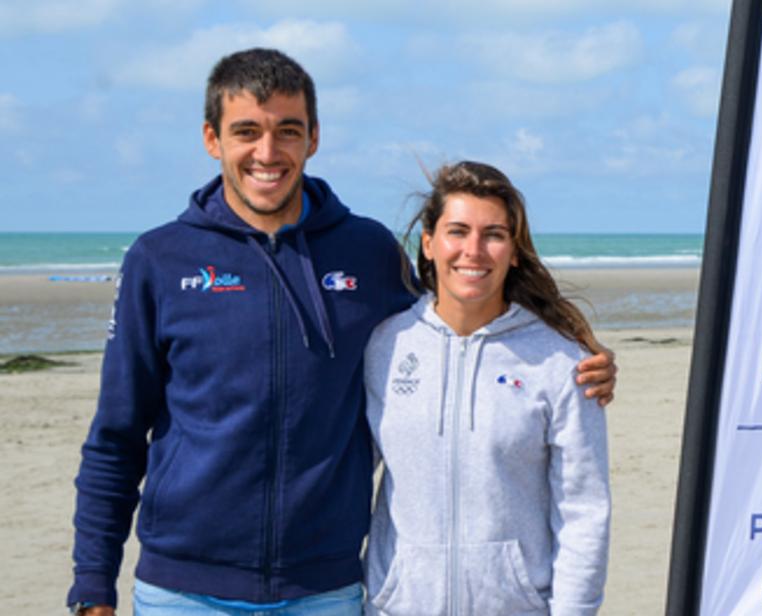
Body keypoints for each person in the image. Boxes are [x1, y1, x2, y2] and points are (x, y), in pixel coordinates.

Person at [67, 49, 616, 616]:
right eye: (247, 131)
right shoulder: (161, 260)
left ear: (314, 138)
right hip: (183, 590)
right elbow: (116, 435)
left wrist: (573, 350)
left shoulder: (367, 251)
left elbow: (458, 317)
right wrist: (92, 583)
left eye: (288, 131)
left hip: (324, 591)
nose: (267, 152)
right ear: (212, 139)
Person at [363, 161, 610, 615]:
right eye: (457, 232)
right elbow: (348, 475)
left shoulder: (562, 362)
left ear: (514, 252)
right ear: (428, 244)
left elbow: (583, 511)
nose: (473, 251)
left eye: (493, 235)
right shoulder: (385, 345)